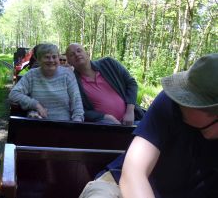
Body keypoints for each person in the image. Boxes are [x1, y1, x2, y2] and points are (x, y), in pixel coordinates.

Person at [79, 53, 218, 198]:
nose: (181, 100)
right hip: (117, 183)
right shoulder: (170, 101)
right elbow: (133, 173)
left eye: (191, 100)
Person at [65, 43, 143, 125]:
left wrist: (129, 111)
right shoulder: (72, 82)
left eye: (79, 50)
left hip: (133, 119)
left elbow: (131, 83)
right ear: (69, 62)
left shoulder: (109, 63)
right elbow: (79, 109)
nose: (77, 54)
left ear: (87, 53)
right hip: (105, 127)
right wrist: (105, 117)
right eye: (72, 54)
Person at [9, 43, 84, 122]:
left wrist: (76, 124)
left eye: (54, 57)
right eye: (47, 57)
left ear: (58, 58)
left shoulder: (67, 74)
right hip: (37, 125)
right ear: (39, 60)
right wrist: (36, 105)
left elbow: (77, 103)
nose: (51, 60)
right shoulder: (32, 75)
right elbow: (14, 94)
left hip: (64, 125)